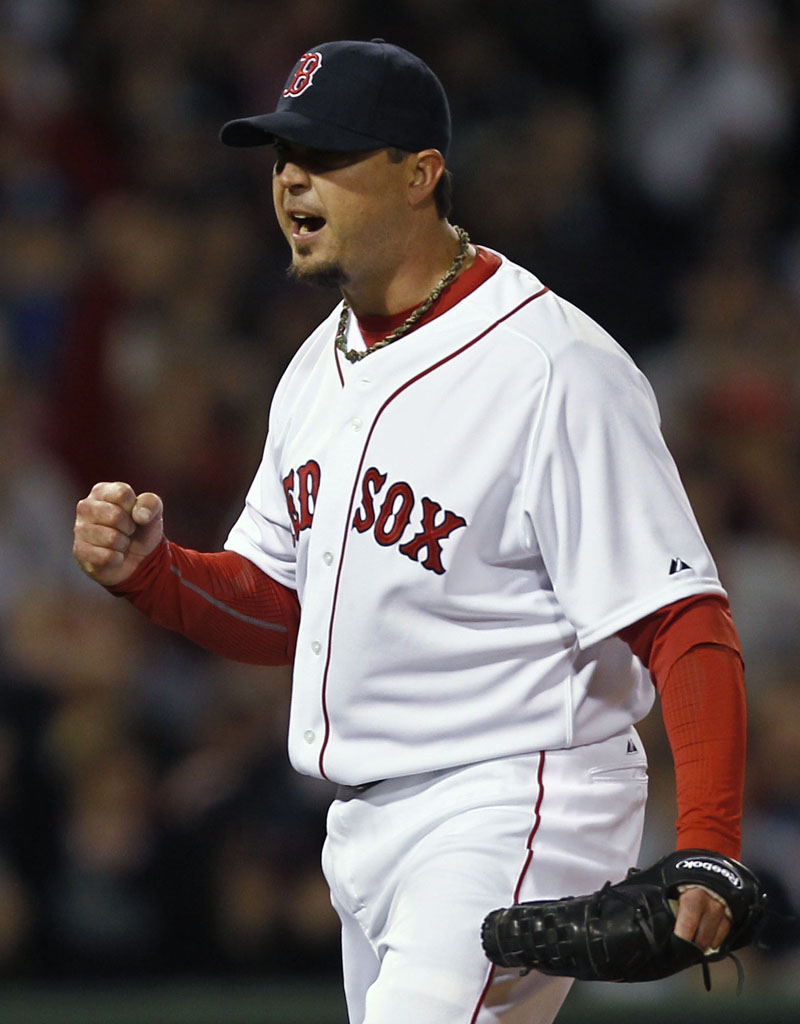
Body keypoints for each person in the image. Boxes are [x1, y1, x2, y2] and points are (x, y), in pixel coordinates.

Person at [73, 39, 748, 1024]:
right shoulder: (315, 366)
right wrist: (156, 574)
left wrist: (710, 842)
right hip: (365, 825)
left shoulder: (549, 366)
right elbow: (287, 615)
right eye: (280, 158)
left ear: (421, 174)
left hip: (513, 795)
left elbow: (681, 617)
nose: (293, 178)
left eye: (328, 154)